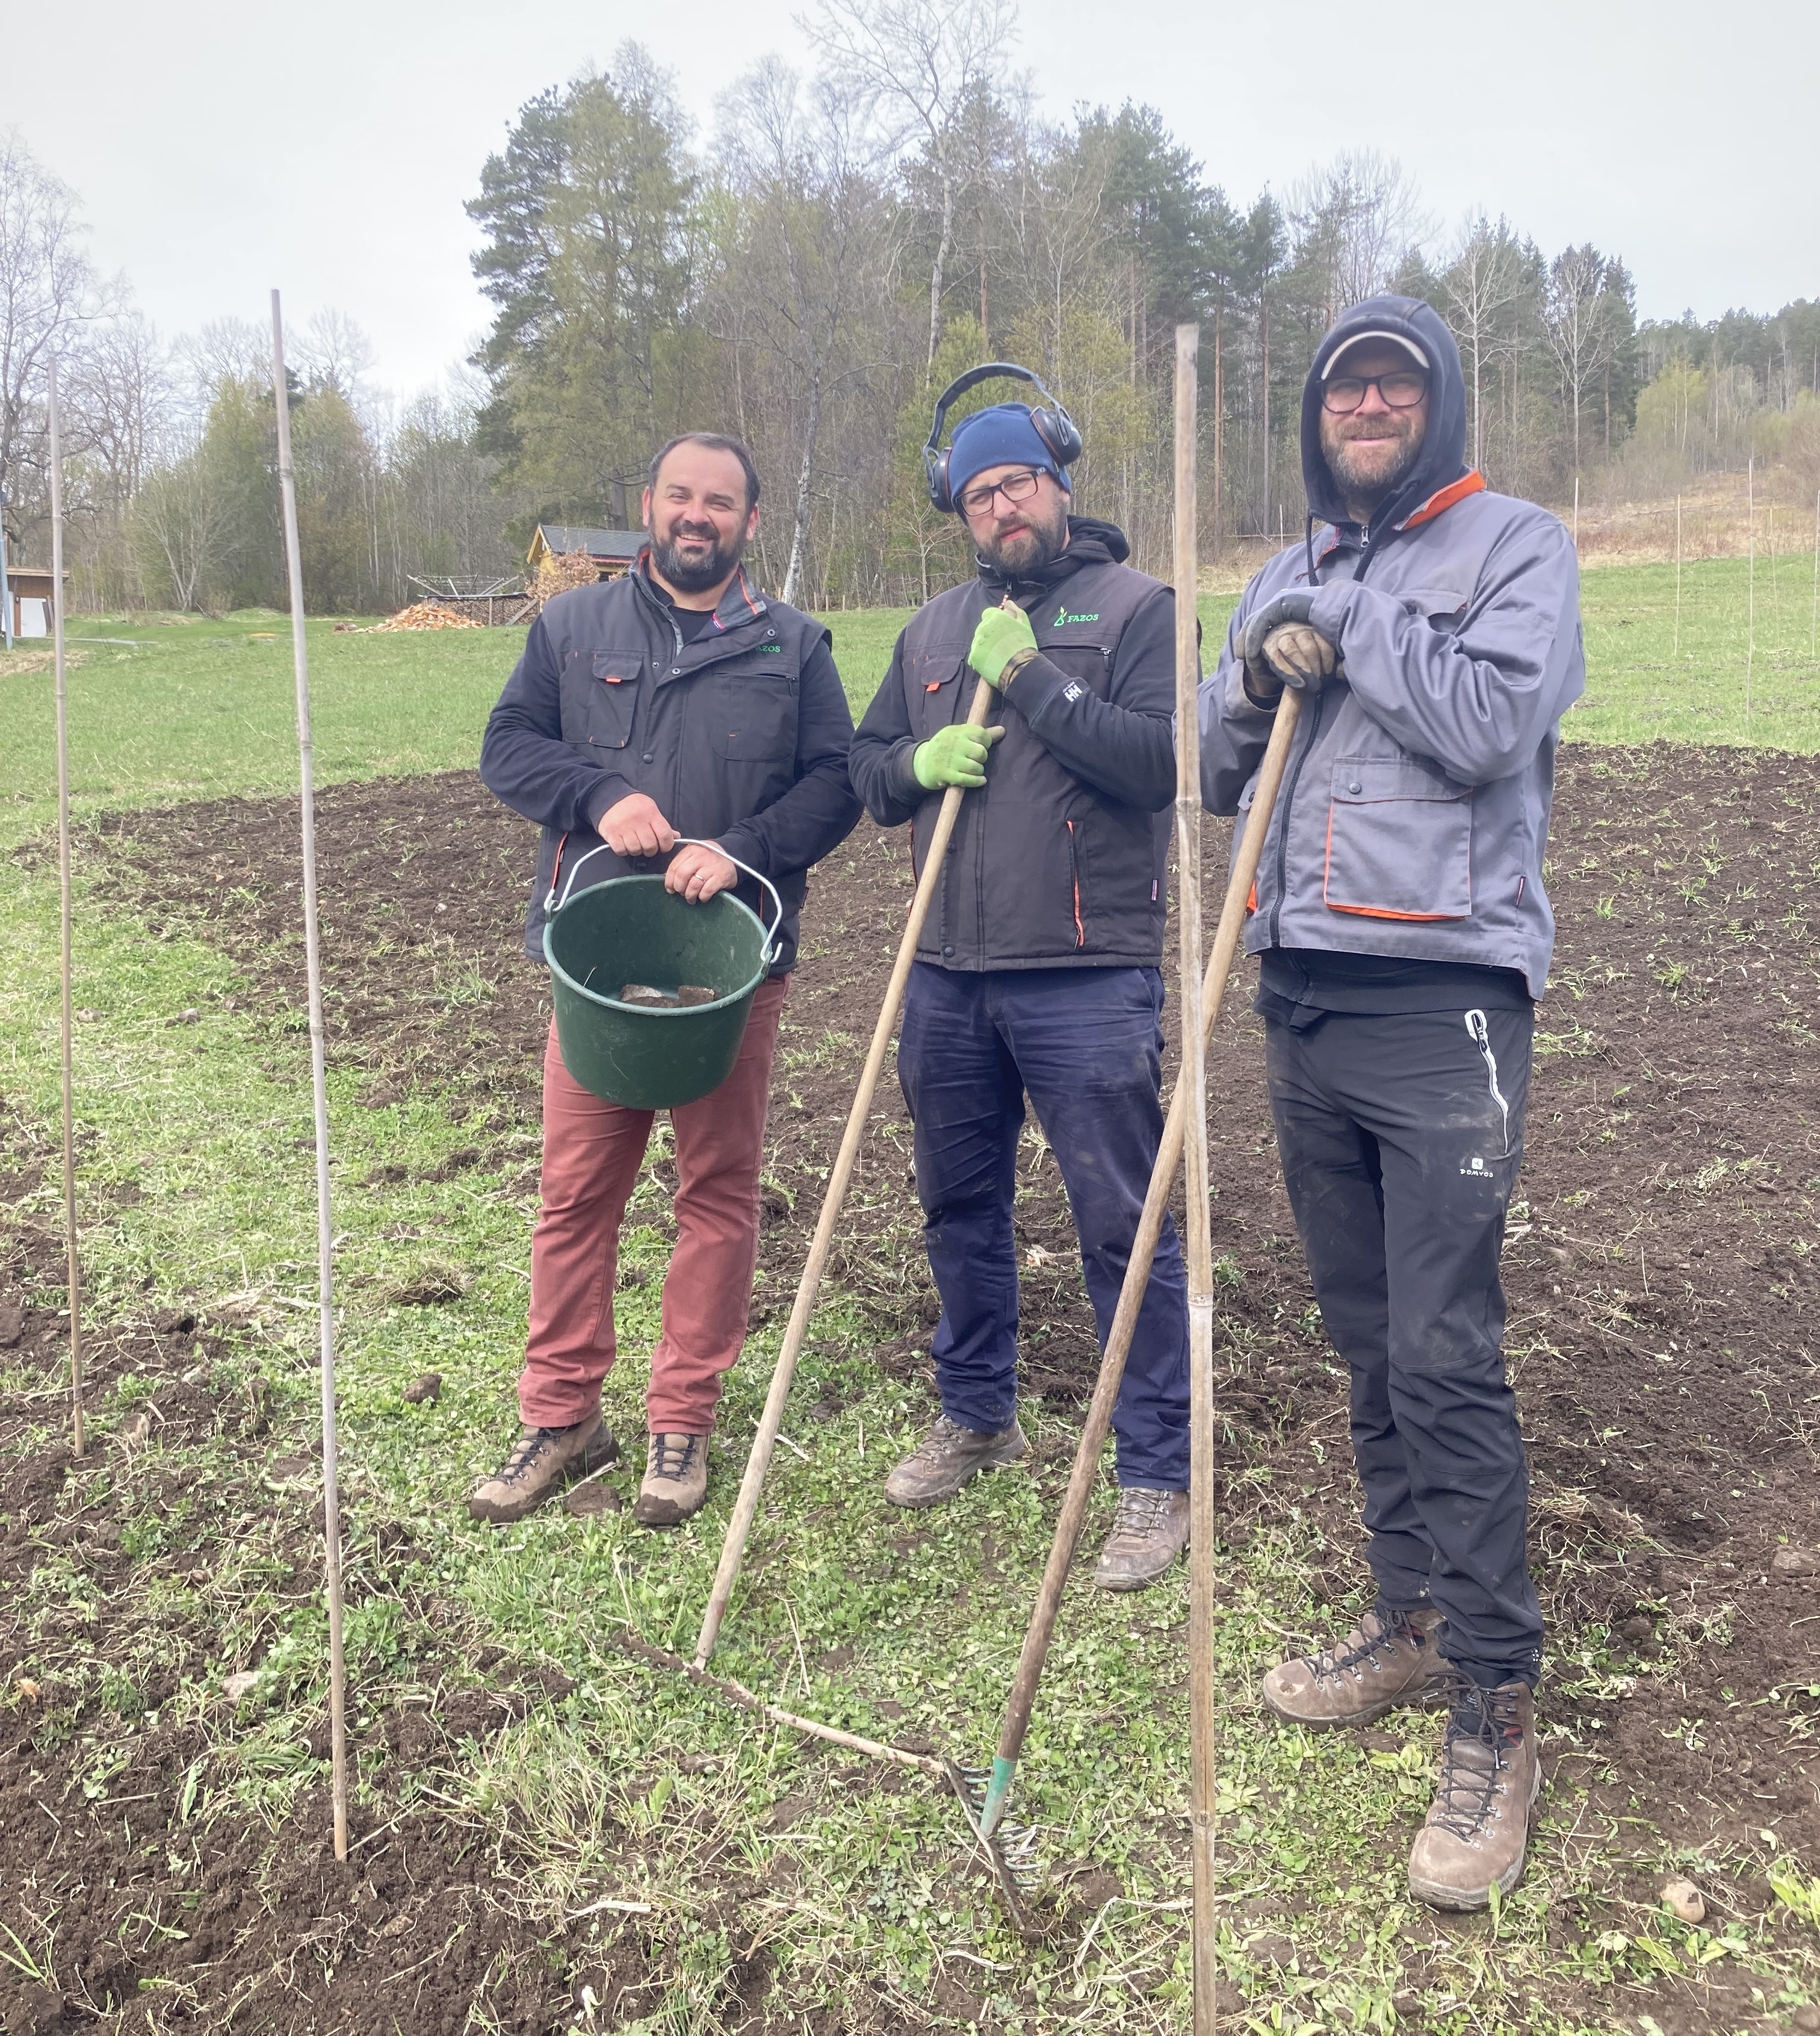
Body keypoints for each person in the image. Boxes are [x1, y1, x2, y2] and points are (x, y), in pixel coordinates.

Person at [1199, 295, 1583, 1910]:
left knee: (1442, 1346)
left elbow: (1495, 726)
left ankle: (1500, 1697)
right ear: (1315, 413)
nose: (1366, 403)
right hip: (1304, 992)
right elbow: (1225, 772)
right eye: (1345, 385)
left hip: (1444, 998)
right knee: (1364, 1339)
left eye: (1394, 384)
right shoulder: (1291, 564)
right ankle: (1413, 1615)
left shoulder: (1514, 546)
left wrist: (1348, 629)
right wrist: (1250, 653)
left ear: (1438, 406)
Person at [471, 433, 861, 1530]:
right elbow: (508, 747)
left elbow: (836, 786)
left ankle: (680, 1420)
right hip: (597, 964)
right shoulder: (570, 626)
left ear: (749, 521)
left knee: (719, 1195)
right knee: (574, 1197)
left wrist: (740, 849)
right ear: (648, 504)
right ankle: (562, 1418)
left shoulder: (793, 646)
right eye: (682, 496)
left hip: (728, 969)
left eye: (722, 502)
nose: (699, 516)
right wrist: (595, 795)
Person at [849, 370, 1192, 1592]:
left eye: (1022, 484)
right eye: (981, 492)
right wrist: (915, 763)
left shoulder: (1138, 609)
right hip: (946, 973)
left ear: (1060, 484)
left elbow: (1162, 764)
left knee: (1123, 1225)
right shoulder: (932, 631)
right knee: (959, 1205)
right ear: (961, 507)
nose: (1005, 509)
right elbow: (867, 766)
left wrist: (1037, 680)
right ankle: (976, 1407)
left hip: (1086, 977)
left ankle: (1156, 1469)